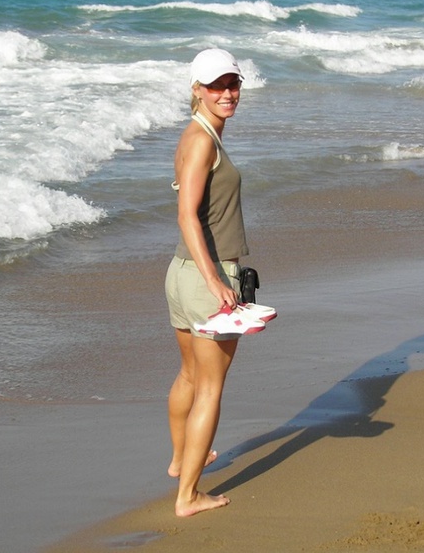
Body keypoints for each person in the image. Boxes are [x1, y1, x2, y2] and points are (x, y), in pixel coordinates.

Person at [164, 48, 249, 517]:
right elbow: (186, 216)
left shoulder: (195, 133)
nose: (227, 93)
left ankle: (181, 461)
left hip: (181, 273)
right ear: (196, 89)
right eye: (216, 86)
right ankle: (189, 496)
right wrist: (217, 280)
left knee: (190, 376)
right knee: (210, 388)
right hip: (204, 277)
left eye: (232, 84)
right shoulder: (202, 141)